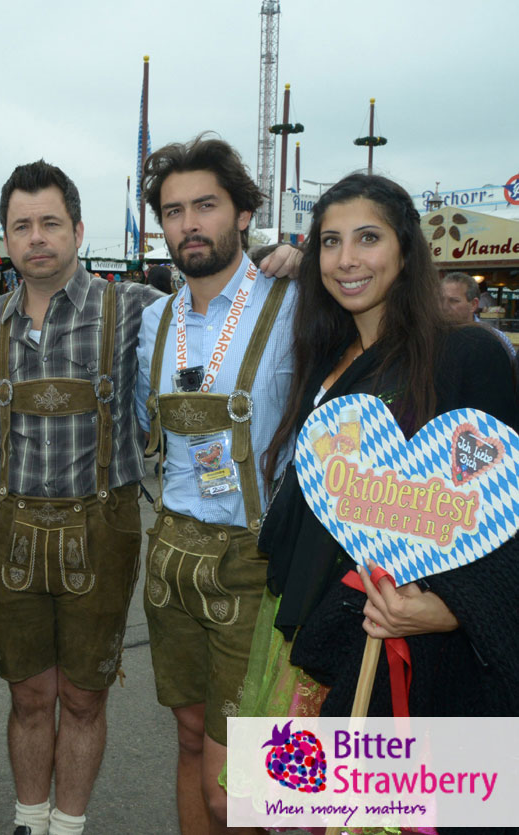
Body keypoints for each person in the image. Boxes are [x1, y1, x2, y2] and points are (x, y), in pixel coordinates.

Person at [248, 173, 519, 725]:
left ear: (405, 250)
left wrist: (449, 611)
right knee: (276, 802)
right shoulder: (327, 354)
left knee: (371, 807)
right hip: (304, 615)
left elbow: (504, 507)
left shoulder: (463, 355)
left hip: (401, 639)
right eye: (330, 241)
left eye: (368, 238)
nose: (347, 259)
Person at [0, 160, 163, 835]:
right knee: (27, 693)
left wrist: (282, 261)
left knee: (82, 695)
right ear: (4, 240)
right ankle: (29, 818)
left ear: (77, 229)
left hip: (101, 525)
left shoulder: (135, 306)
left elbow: (219, 299)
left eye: (50, 222)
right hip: (11, 521)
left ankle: (68, 823)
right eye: (21, 225)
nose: (37, 237)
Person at [135, 135, 297, 835]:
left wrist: (311, 241)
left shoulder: (294, 304)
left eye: (205, 205)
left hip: (254, 558)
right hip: (171, 555)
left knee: (243, 784)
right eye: (172, 211)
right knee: (191, 739)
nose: (188, 224)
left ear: (242, 213)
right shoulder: (153, 320)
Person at [441, 270, 517, 364]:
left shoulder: (498, 338)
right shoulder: (431, 337)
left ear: (473, 304)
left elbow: (513, 372)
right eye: (441, 300)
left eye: (453, 301)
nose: (444, 307)